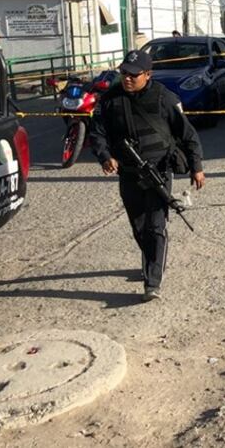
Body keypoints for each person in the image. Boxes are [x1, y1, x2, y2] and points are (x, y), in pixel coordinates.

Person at [89, 49, 205, 301]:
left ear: (148, 74)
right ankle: (155, 257)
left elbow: (187, 134)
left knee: (155, 226)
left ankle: (152, 282)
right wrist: (105, 156)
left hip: (159, 171)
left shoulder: (164, 97)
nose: (127, 78)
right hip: (129, 174)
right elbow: (97, 133)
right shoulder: (109, 100)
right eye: (123, 73)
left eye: (133, 74)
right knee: (139, 228)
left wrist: (197, 167)